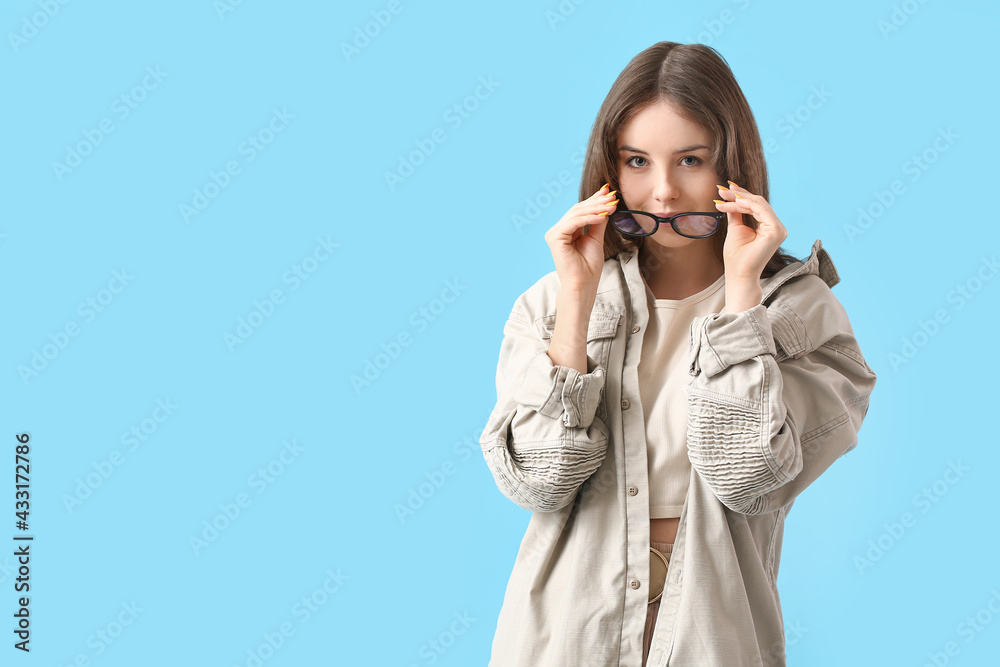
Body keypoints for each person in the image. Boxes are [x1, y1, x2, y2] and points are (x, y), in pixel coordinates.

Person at [478, 41, 878, 666]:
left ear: (731, 163)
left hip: (713, 640)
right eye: (637, 160)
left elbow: (747, 478)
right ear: (609, 169)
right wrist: (579, 301)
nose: (662, 191)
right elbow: (538, 482)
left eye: (689, 160)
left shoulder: (799, 314)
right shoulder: (552, 302)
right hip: (560, 640)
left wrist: (740, 299)